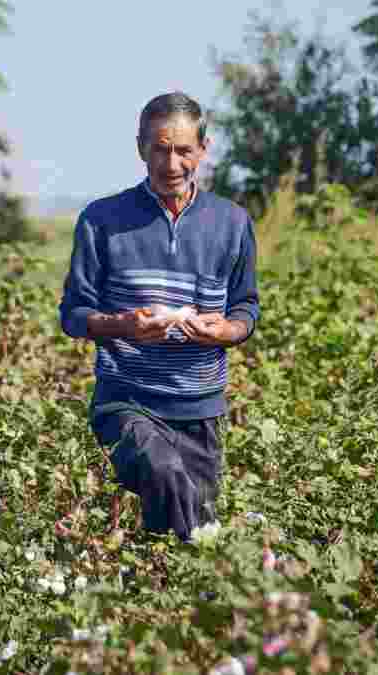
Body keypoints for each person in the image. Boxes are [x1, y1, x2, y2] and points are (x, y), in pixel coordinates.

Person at [59, 91, 260, 542]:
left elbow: (246, 306)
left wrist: (227, 330)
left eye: (184, 150)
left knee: (184, 539)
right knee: (164, 473)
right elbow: (73, 313)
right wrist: (121, 326)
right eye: (160, 149)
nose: (171, 164)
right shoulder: (101, 220)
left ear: (203, 150)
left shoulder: (232, 222)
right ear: (140, 149)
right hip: (126, 401)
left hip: (199, 407)